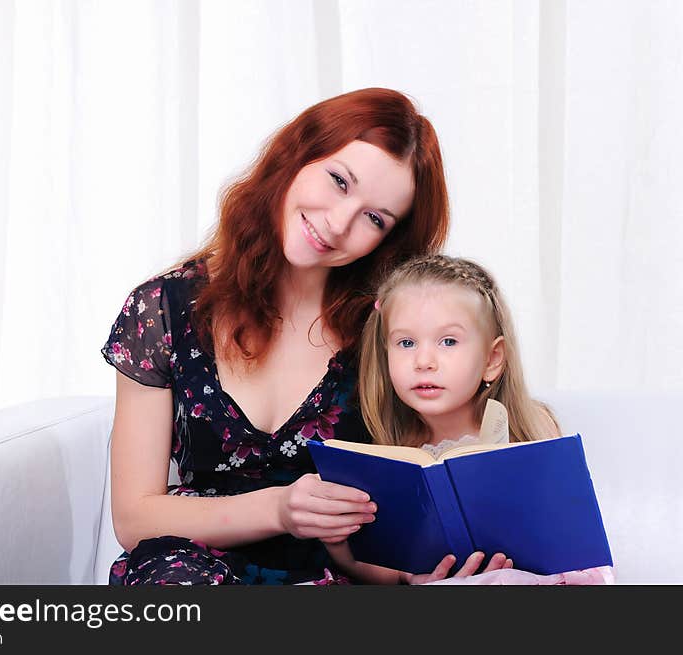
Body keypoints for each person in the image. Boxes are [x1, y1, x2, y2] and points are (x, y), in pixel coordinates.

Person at [100, 87, 460, 585]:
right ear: (296, 156)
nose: (338, 224)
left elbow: (418, 492)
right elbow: (134, 518)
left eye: (374, 219)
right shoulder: (163, 310)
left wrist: (415, 575)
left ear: (389, 240)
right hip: (188, 570)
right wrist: (280, 508)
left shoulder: (384, 333)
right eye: (338, 181)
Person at [324, 254, 612, 584]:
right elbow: (384, 563)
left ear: (492, 359)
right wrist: (358, 556)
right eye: (406, 342)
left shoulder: (530, 429)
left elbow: (570, 537)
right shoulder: (394, 451)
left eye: (448, 341)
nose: (424, 361)